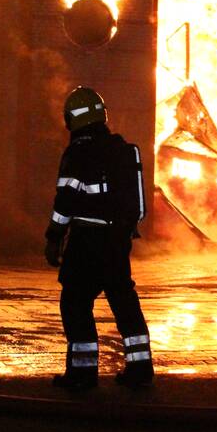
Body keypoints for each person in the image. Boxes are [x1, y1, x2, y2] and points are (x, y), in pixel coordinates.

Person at [44, 86, 153, 390]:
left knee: (75, 302)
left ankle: (82, 374)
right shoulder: (121, 150)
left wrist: (54, 237)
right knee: (123, 301)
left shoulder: (77, 153)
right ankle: (141, 369)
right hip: (117, 239)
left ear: (72, 119)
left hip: (87, 241)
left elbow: (65, 202)